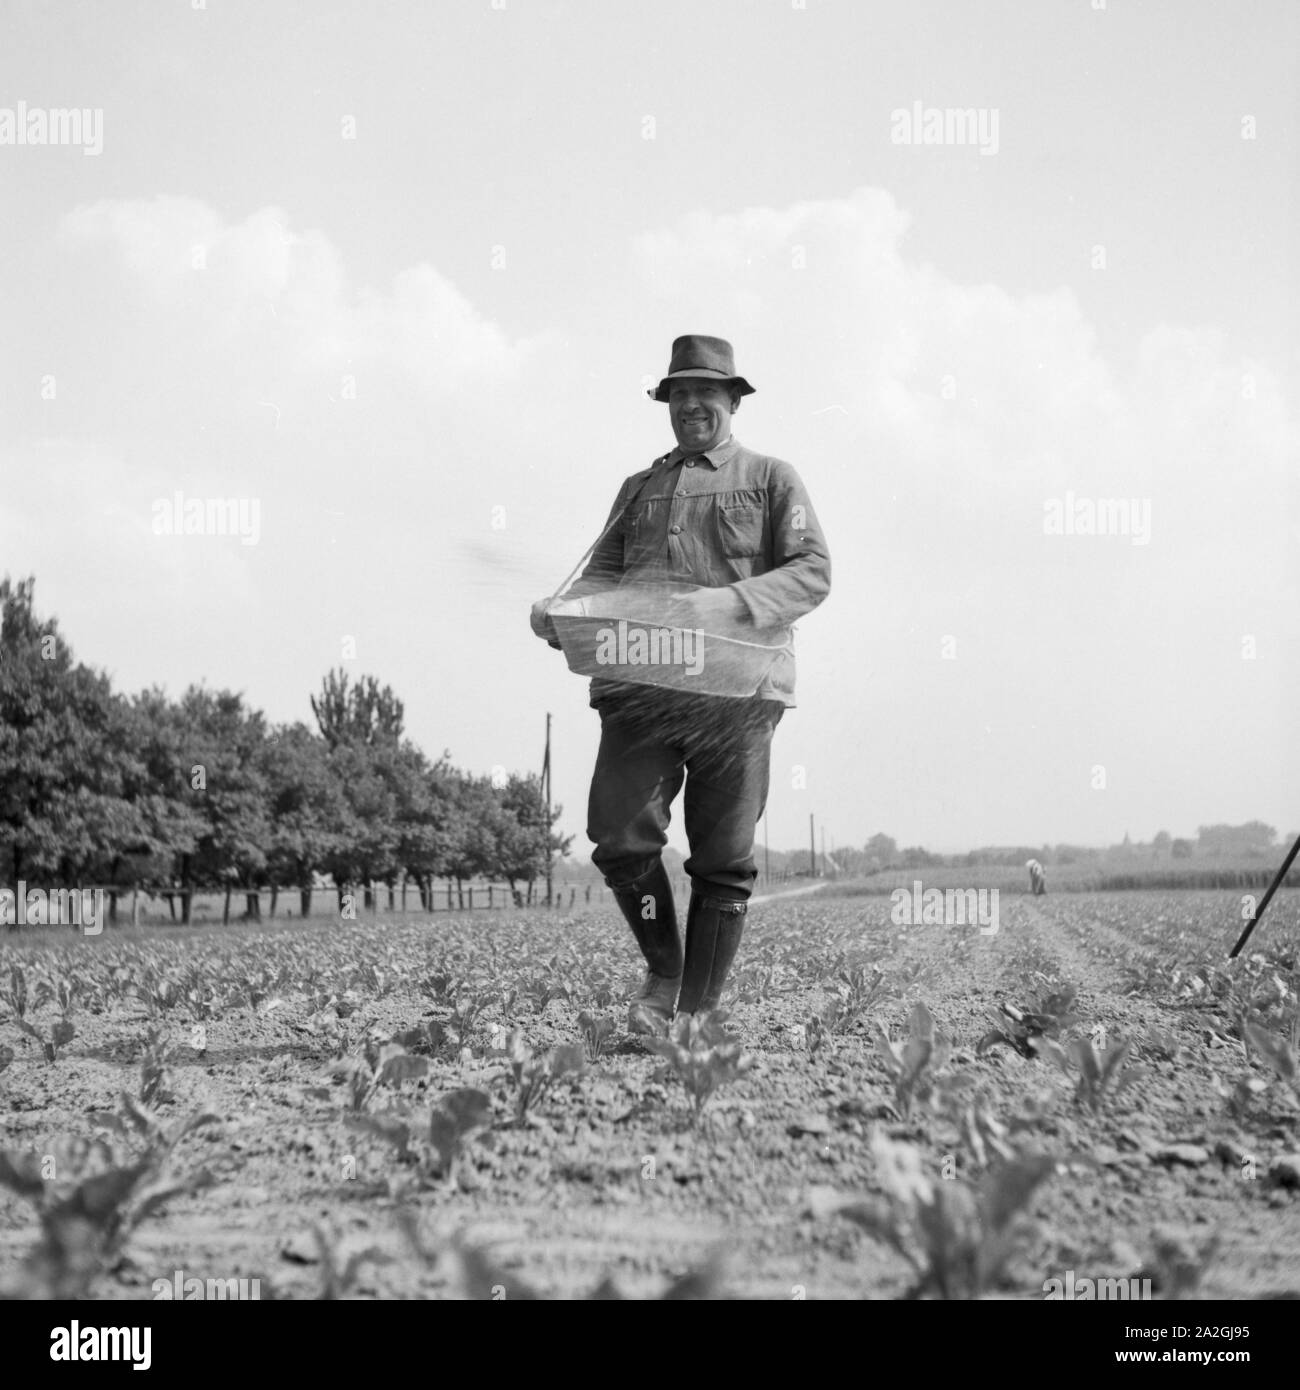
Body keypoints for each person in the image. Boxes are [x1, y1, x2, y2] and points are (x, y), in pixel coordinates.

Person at [530, 335, 831, 1035]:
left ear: (731, 400)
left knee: (723, 857)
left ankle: (696, 1009)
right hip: (642, 687)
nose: (692, 403)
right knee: (619, 836)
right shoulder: (638, 490)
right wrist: (560, 613)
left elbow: (813, 570)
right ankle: (665, 973)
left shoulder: (771, 477)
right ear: (667, 403)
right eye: (679, 393)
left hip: (738, 689)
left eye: (707, 392)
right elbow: (598, 579)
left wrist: (726, 603)